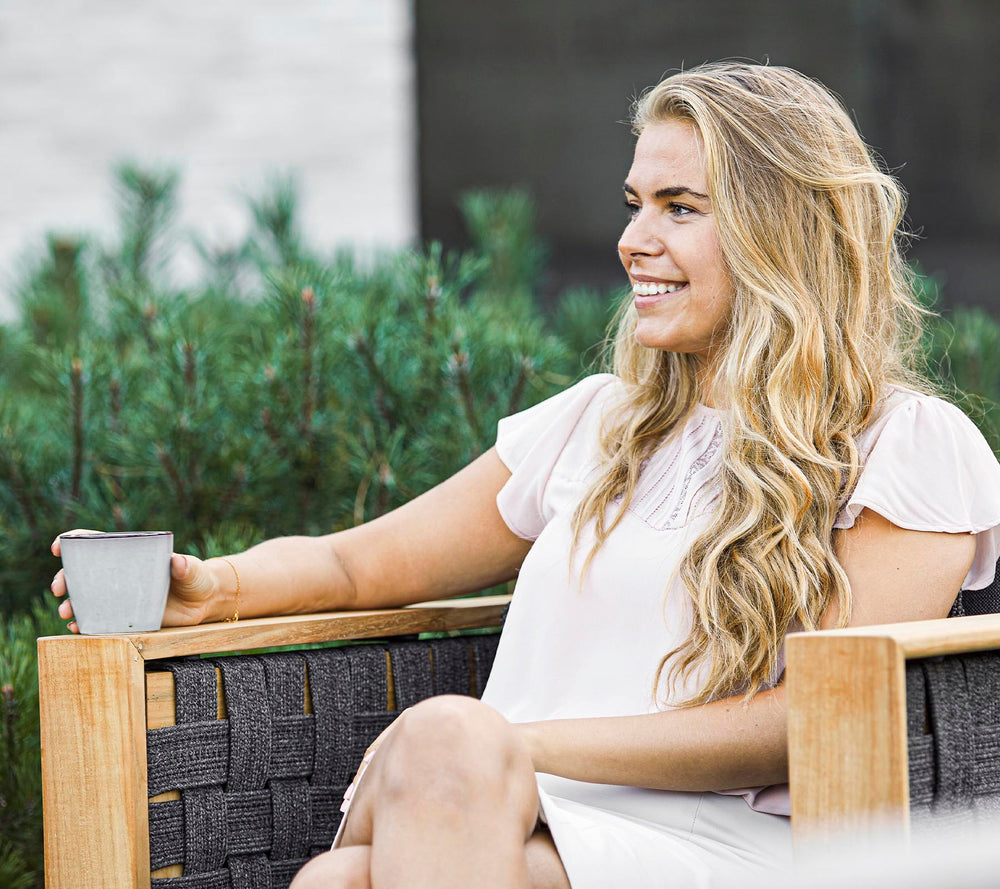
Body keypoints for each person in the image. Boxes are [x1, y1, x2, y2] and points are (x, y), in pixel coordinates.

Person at [50, 61, 1000, 888]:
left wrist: (515, 747)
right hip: (505, 812)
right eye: (635, 205)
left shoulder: (904, 444)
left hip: (728, 844)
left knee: (398, 805)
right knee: (352, 864)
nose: (635, 240)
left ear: (784, 233)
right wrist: (217, 590)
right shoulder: (594, 422)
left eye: (681, 208)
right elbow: (361, 568)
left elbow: (815, 721)